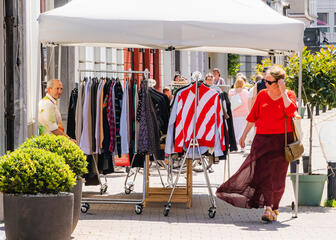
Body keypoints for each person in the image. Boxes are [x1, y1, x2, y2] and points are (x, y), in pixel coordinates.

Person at [216, 65, 297, 222]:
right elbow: (253, 117)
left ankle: (275, 208)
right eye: (265, 81)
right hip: (262, 140)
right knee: (265, 175)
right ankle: (267, 208)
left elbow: (290, 111)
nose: (265, 84)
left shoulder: (289, 95)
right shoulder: (262, 95)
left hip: (282, 141)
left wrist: (283, 92)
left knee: (278, 177)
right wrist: (244, 135)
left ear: (280, 82)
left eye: (269, 82)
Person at [228, 77, 249, 152]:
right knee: (242, 130)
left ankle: (235, 145)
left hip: (234, 114)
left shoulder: (231, 92)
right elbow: (247, 103)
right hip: (244, 114)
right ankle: (242, 145)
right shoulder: (246, 92)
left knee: (235, 130)